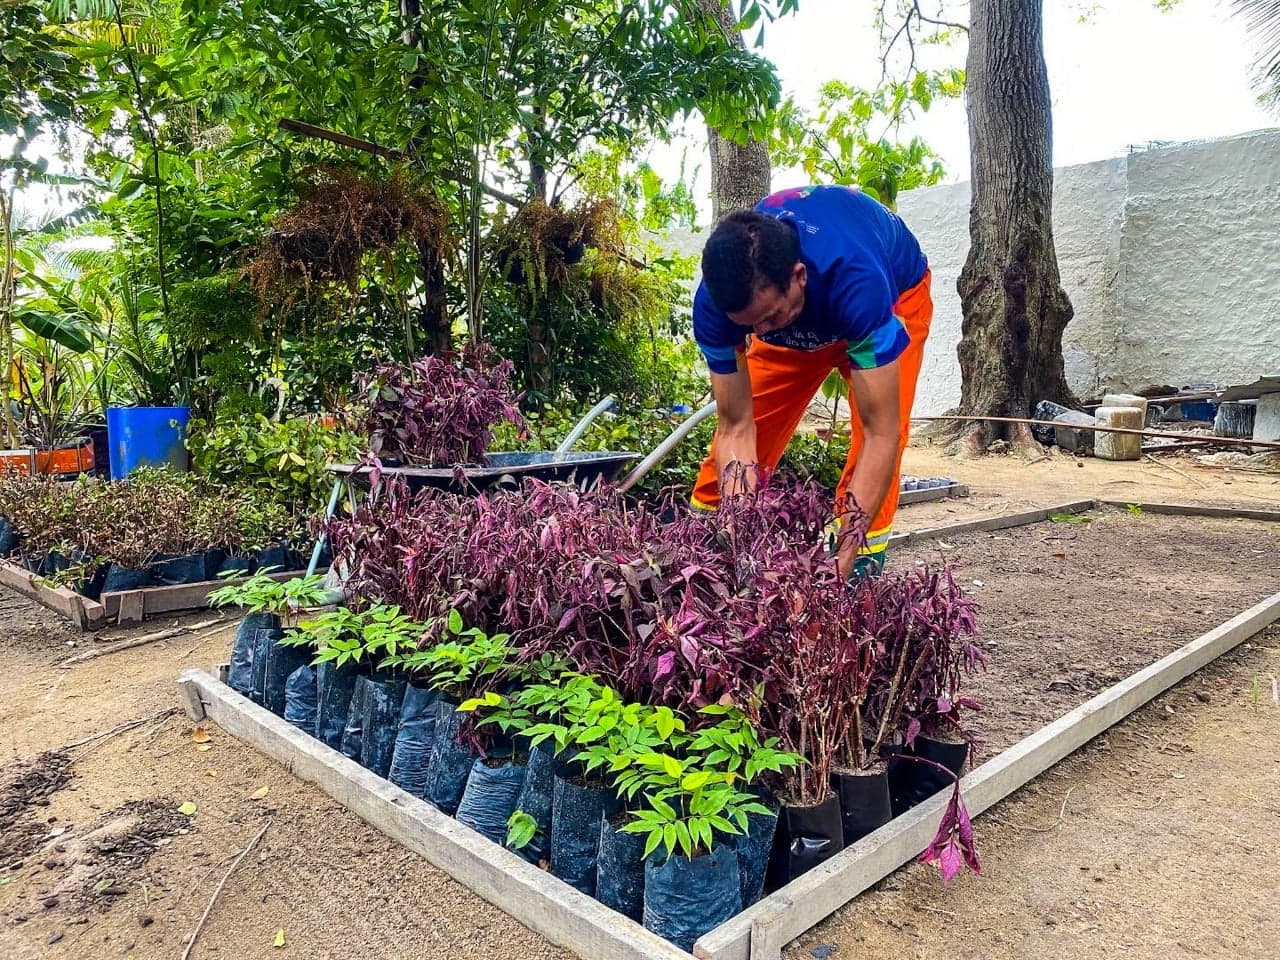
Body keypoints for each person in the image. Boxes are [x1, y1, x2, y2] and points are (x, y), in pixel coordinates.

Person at [690, 184, 933, 579]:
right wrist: (737, 538)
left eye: (768, 318)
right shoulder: (720, 307)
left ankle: (855, 571)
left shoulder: (858, 283)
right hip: (804, 318)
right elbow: (736, 427)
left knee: (882, 432)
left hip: (892, 298)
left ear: (798, 276)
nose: (759, 331)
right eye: (748, 326)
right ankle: (707, 547)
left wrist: (841, 561)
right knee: (750, 437)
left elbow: (880, 436)